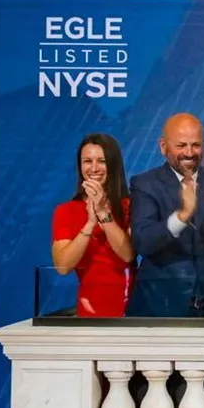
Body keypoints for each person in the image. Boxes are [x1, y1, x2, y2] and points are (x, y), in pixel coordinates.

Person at [128, 113, 204, 317]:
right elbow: (143, 242)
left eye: (196, 145)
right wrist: (182, 216)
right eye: (181, 145)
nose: (189, 153)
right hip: (162, 307)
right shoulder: (145, 184)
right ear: (163, 146)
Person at [51, 133, 136, 317]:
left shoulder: (131, 206)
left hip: (131, 308)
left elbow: (128, 255)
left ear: (113, 164)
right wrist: (90, 224)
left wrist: (103, 213)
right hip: (89, 310)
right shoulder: (66, 211)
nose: (94, 168)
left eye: (102, 161)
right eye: (87, 161)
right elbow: (63, 266)